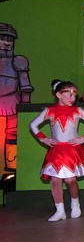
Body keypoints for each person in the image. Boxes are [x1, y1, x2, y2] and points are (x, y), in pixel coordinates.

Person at [29, 79, 84, 221]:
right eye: (69, 94)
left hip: (71, 150)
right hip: (56, 150)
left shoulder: (77, 111)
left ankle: (75, 204)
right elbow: (33, 125)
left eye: (74, 95)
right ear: (58, 95)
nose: (73, 98)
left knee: (70, 180)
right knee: (55, 180)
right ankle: (60, 210)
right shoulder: (49, 111)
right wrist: (44, 139)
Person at [0, 22, 33, 172]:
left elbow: (25, 86)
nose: (7, 43)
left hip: (13, 102)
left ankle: (12, 164)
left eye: (10, 40)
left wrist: (25, 107)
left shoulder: (18, 61)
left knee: (13, 134)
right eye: (3, 39)